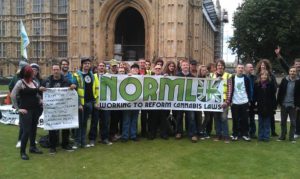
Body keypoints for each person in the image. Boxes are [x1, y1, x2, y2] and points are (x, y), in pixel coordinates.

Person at [40, 64, 76, 154]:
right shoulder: (46, 81)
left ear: (60, 70)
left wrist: (73, 86)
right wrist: (40, 89)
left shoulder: (66, 80)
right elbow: (39, 91)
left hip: (64, 108)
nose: (56, 71)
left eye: (57, 69)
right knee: (52, 127)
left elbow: (74, 88)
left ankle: (65, 144)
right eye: (54, 69)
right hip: (51, 109)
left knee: (65, 126)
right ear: (52, 70)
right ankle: (52, 147)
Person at [11, 65, 43, 160]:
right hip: (26, 110)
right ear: (25, 73)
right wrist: (18, 108)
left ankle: (32, 147)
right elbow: (13, 95)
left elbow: (37, 94)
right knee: (26, 131)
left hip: (36, 109)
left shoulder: (34, 82)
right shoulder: (20, 83)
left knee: (33, 129)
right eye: (30, 71)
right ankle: (23, 152)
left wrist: (41, 101)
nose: (32, 72)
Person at [73, 57, 99, 148]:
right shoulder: (76, 75)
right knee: (79, 123)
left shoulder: (93, 75)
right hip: (82, 103)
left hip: (90, 102)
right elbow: (74, 91)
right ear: (82, 65)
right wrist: (79, 103)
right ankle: (77, 142)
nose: (87, 65)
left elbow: (96, 89)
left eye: (88, 63)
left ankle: (83, 142)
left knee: (84, 124)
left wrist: (95, 101)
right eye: (85, 64)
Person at [275, 47, 300, 138]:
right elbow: (284, 64)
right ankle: (292, 133)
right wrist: (278, 55)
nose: (298, 66)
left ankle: (297, 132)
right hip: (289, 101)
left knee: (297, 118)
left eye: (299, 65)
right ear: (294, 65)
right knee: (294, 118)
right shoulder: (291, 72)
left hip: (297, 100)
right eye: (297, 64)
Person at [175, 59, 198, 143]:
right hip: (180, 100)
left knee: (191, 117)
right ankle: (179, 132)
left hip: (189, 101)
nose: (185, 66)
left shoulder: (192, 77)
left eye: (186, 65)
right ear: (181, 66)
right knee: (179, 117)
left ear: (189, 66)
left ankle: (193, 134)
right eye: (183, 65)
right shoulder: (177, 75)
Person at [211, 60, 232, 143]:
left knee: (223, 118)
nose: (220, 67)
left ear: (224, 67)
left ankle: (226, 136)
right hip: (214, 101)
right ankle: (218, 135)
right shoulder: (212, 75)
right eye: (218, 65)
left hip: (224, 101)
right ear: (216, 66)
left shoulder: (228, 76)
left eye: (221, 65)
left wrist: (227, 102)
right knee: (216, 118)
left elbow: (230, 90)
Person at [256, 59, 278, 137]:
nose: (263, 66)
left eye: (264, 65)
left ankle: (272, 131)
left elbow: (274, 88)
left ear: (267, 67)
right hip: (261, 102)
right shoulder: (257, 76)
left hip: (269, 100)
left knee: (270, 118)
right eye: (262, 65)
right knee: (261, 120)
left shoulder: (271, 76)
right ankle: (261, 135)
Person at [253, 70, 277, 142]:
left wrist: (274, 107)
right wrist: (255, 105)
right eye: (262, 75)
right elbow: (255, 95)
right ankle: (260, 137)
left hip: (268, 106)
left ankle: (266, 137)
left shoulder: (271, 84)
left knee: (267, 123)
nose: (264, 76)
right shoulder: (257, 84)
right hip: (260, 106)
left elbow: (273, 96)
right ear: (260, 76)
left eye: (265, 75)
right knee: (260, 123)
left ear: (267, 76)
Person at [9, 60, 28, 148]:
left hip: (28, 103)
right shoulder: (17, 77)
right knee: (22, 123)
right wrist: (16, 97)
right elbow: (11, 88)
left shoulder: (27, 76)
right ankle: (20, 140)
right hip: (21, 102)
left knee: (29, 123)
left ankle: (28, 138)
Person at [230, 64, 251, 141]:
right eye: (239, 68)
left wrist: (249, 100)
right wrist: (230, 100)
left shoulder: (246, 79)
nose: (240, 69)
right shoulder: (232, 78)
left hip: (244, 102)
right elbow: (229, 89)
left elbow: (249, 90)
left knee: (245, 119)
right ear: (236, 69)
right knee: (235, 119)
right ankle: (235, 134)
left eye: (242, 68)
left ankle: (245, 134)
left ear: (244, 69)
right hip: (234, 102)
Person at [93, 62, 113, 145]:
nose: (101, 67)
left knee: (105, 122)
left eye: (103, 66)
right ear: (97, 67)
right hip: (96, 103)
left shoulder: (109, 76)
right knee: (94, 123)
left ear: (105, 67)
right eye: (100, 66)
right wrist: (94, 101)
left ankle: (104, 138)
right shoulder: (93, 76)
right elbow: (92, 90)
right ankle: (92, 139)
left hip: (106, 103)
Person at [148, 64, 169, 140]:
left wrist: (167, 77)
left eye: (159, 69)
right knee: (153, 119)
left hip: (162, 102)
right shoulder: (150, 78)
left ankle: (163, 134)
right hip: (153, 102)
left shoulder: (165, 77)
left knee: (163, 119)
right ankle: (152, 134)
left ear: (161, 70)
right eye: (156, 68)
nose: (157, 70)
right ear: (154, 70)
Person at [121, 64, 140, 142]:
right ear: (131, 69)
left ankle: (133, 135)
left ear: (138, 70)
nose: (135, 70)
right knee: (126, 120)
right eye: (133, 68)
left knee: (134, 120)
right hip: (127, 102)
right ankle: (125, 136)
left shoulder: (142, 78)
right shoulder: (126, 77)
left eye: (136, 69)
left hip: (137, 102)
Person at [196, 65, 210, 139]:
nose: (204, 71)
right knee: (199, 117)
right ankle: (199, 132)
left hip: (206, 100)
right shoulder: (196, 79)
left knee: (207, 117)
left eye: (205, 70)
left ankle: (202, 130)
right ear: (200, 71)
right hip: (198, 100)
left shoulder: (209, 79)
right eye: (203, 70)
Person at [244, 63, 257, 138]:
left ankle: (252, 132)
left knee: (252, 118)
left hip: (252, 100)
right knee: (244, 117)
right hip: (245, 100)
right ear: (246, 69)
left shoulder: (255, 78)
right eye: (250, 67)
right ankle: (244, 132)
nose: (251, 68)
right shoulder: (243, 77)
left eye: (252, 67)